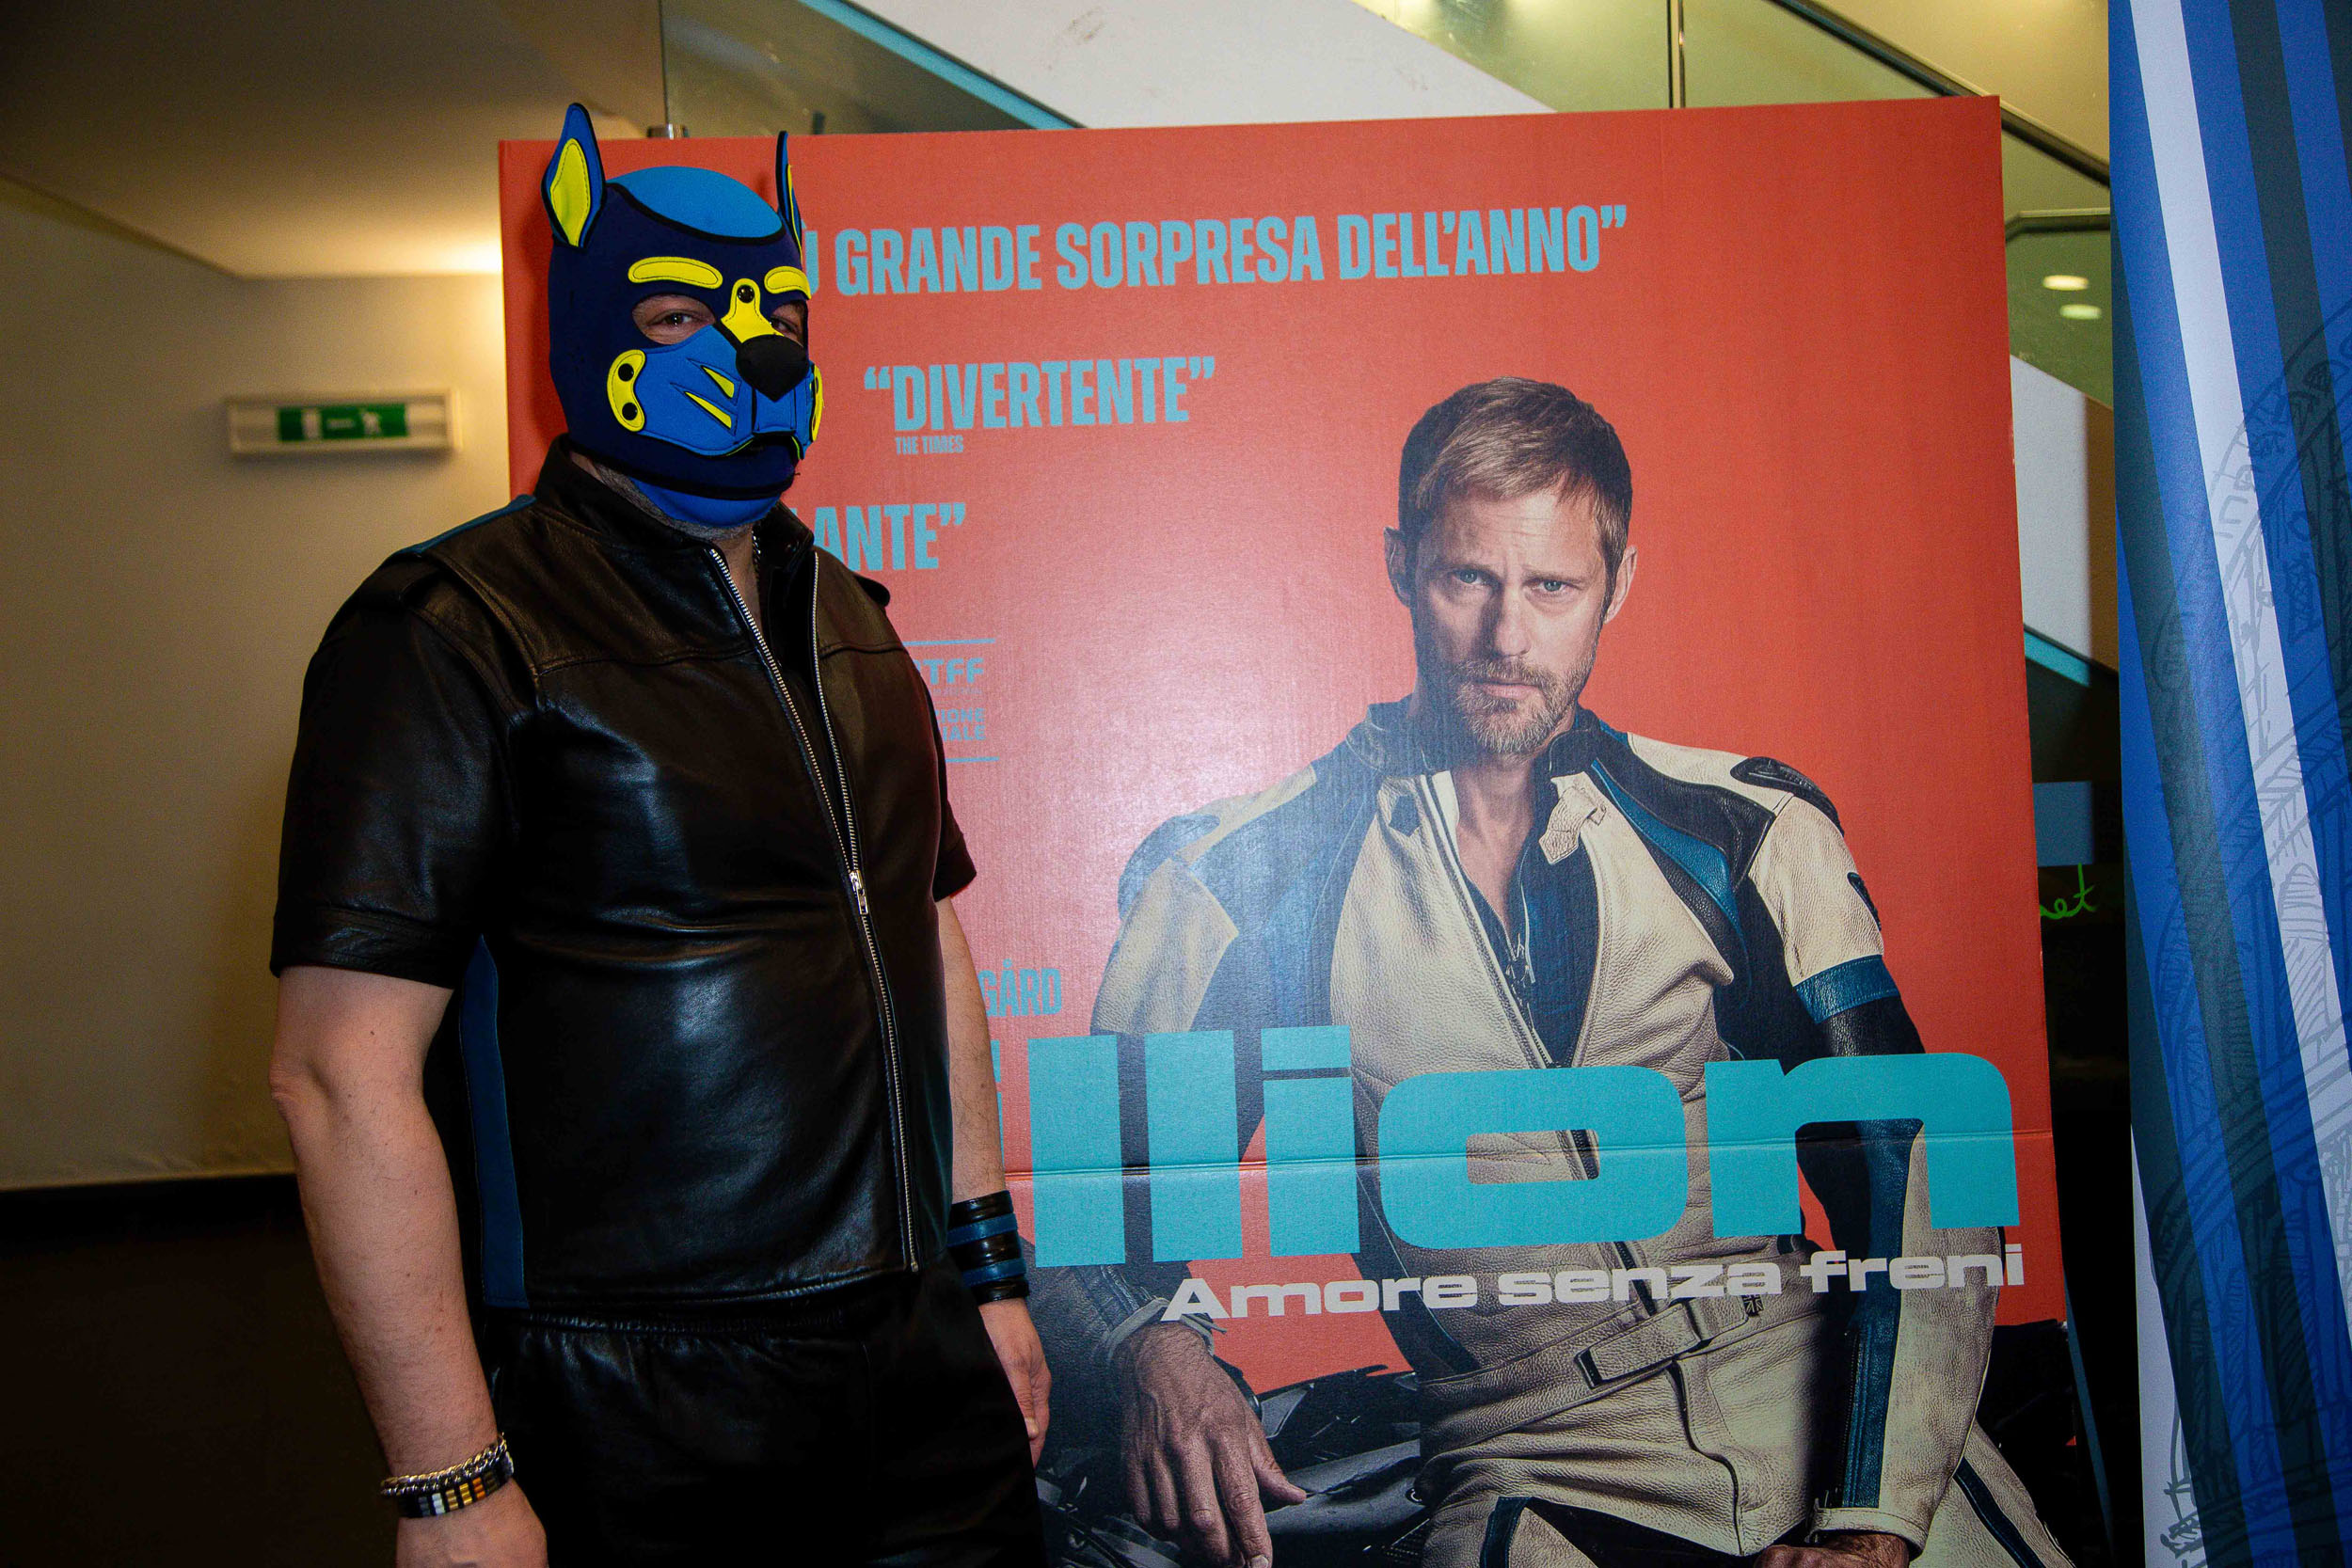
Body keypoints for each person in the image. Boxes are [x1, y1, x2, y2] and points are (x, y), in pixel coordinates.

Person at [1028, 378, 2069, 1568]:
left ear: (1617, 585)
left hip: (1812, 1388)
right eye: (1466, 577)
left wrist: (1874, 1518)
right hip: (1530, 1457)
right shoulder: (1243, 880)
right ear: (1399, 567)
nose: (1506, 638)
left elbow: (1914, 1168)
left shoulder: (1744, 829)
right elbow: (1082, 1214)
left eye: (1552, 587)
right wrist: (1156, 1346)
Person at [267, 105, 1047, 1567]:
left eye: (771, 314)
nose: (750, 351)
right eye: (682, 312)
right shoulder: (450, 628)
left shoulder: (849, 615)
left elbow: (923, 935)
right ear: (593, 323)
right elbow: (335, 1072)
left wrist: (989, 1278)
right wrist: (449, 1478)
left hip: (919, 1364)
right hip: (631, 1399)